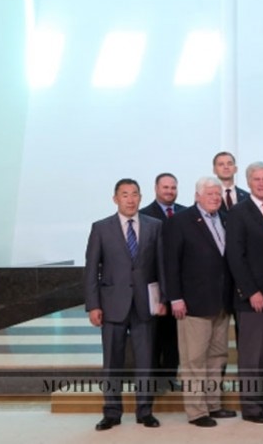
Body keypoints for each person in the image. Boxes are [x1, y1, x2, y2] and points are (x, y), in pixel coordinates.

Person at [85, 178, 165, 431]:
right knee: (112, 362)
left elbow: (161, 266)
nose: (130, 199)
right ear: (115, 199)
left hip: (144, 305)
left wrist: (163, 299)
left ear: (141, 197)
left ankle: (145, 411)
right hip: (112, 305)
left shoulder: (154, 226)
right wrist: (93, 305)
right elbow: (91, 270)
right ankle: (111, 412)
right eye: (125, 195)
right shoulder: (101, 228)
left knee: (146, 361)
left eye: (134, 194)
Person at [164, 177, 236, 427]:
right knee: (194, 359)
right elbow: (170, 263)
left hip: (221, 302)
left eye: (218, 194)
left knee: (218, 357)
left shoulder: (225, 218)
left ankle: (213, 405)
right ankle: (197, 411)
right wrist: (175, 298)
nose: (215, 198)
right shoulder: (180, 222)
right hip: (193, 304)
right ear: (197, 196)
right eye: (209, 194)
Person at [225, 162, 263, 423]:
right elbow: (235, 256)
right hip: (253, 298)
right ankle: (251, 408)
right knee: (252, 357)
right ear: (248, 182)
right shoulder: (238, 212)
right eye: (257, 179)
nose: (262, 183)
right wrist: (251, 291)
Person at [139, 172, 185, 389]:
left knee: (174, 337)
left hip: (180, 286)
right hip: (154, 285)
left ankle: (169, 378)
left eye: (173, 187)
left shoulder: (186, 213)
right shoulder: (143, 215)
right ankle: (152, 382)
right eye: (165, 187)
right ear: (156, 189)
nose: (169, 191)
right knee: (154, 336)